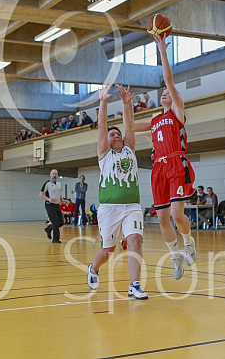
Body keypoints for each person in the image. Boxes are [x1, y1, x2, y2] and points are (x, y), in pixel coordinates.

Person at [125, 34, 196, 280]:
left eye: (168, 92)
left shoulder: (176, 113)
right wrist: (126, 104)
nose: (165, 93)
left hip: (177, 163)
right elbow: (130, 127)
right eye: (163, 93)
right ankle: (175, 257)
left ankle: (188, 241)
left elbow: (168, 78)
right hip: (159, 168)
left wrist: (161, 50)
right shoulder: (154, 121)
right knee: (163, 218)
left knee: (177, 214)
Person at [87, 84, 148, 300]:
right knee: (107, 252)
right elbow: (102, 126)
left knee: (135, 241)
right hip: (109, 208)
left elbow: (129, 126)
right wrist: (103, 101)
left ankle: (135, 285)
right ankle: (93, 269)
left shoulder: (129, 149)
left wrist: (126, 103)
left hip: (132, 206)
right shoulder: (104, 154)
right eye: (112, 135)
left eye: (118, 134)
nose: (116, 136)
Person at [40, 169, 63, 243]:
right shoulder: (47, 183)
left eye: (55, 174)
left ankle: (49, 228)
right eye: (53, 173)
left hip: (57, 204)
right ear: (50, 174)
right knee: (55, 222)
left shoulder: (59, 183)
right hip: (49, 205)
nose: (54, 175)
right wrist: (48, 199)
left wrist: (62, 199)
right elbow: (41, 194)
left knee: (61, 222)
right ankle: (55, 239)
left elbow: (59, 193)